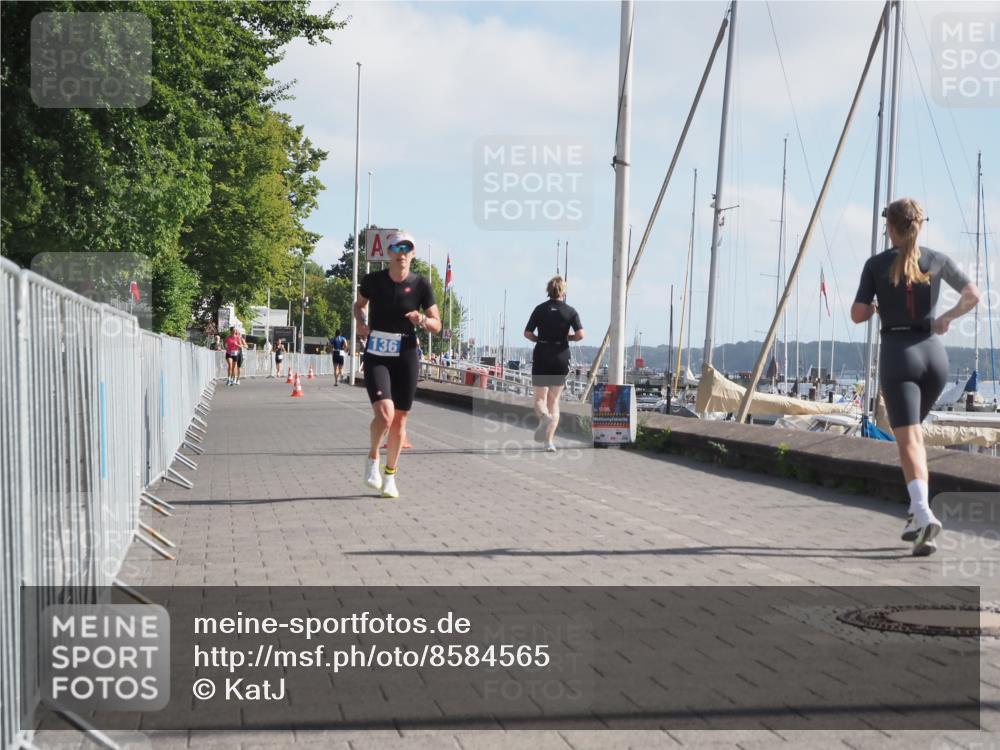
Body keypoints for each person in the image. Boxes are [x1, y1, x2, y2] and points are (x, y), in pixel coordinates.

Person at [852, 197, 980, 556]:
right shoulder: (937, 259)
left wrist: (874, 307)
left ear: (890, 227)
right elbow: (973, 295)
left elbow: (857, 314)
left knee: (908, 439)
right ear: (919, 226)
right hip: (934, 357)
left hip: (899, 355)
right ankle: (916, 518)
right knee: (915, 438)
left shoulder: (876, 264)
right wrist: (946, 318)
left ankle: (923, 513)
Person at [354, 230, 440, 498]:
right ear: (388, 253)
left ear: (412, 254)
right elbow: (359, 305)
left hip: (406, 353)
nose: (402, 254)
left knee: (400, 419)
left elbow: (437, 324)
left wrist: (422, 320)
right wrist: (361, 322)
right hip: (378, 353)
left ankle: (390, 476)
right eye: (397, 248)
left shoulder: (421, 285)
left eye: (407, 249)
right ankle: (373, 458)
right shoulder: (373, 281)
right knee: (385, 415)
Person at [523, 276, 585, 452]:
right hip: (561, 355)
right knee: (554, 401)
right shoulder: (570, 311)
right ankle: (549, 442)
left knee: (540, 399)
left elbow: (527, 333)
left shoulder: (540, 309)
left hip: (543, 353)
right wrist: (568, 338)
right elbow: (580, 335)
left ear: (548, 290)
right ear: (563, 292)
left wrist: (538, 339)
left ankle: (544, 417)